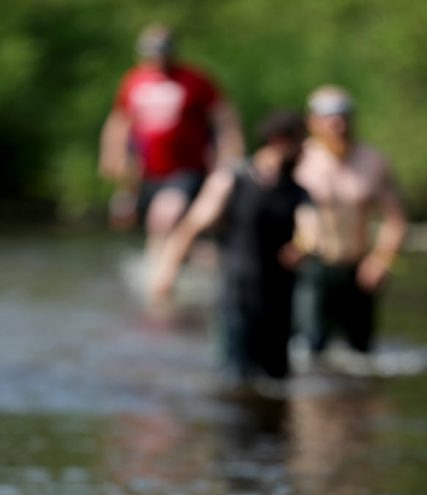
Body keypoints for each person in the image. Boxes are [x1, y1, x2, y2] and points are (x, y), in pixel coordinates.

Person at [148, 110, 319, 385]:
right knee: (234, 380)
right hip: (237, 295)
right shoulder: (232, 181)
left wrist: (302, 247)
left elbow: (310, 229)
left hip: (280, 300)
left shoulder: (298, 191)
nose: (304, 153)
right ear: (280, 141)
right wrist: (167, 274)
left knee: (277, 381)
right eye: (300, 144)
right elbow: (191, 226)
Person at [98, 23, 244, 282]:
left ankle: (162, 276)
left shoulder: (195, 80)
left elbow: (224, 118)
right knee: (160, 225)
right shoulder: (134, 81)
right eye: (152, 50)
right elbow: (120, 121)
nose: (158, 56)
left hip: (186, 169)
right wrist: (112, 155)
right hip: (147, 171)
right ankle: (166, 269)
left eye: (163, 50)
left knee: (165, 215)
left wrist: (230, 153)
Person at [294, 85, 407, 357]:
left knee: (361, 354)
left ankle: (357, 399)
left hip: (359, 269)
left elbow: (396, 218)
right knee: (310, 349)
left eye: (343, 116)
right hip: (313, 265)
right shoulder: (298, 160)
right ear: (312, 121)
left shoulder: (373, 161)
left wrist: (382, 258)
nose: (337, 124)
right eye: (329, 117)